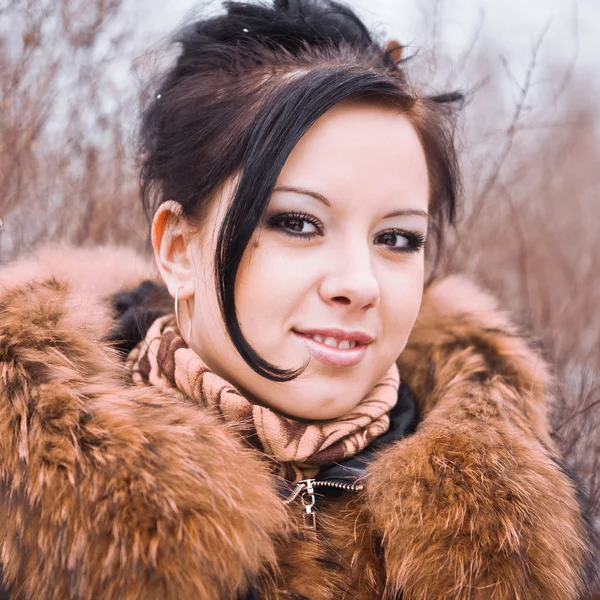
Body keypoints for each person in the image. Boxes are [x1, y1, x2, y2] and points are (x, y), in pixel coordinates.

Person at [0, 0, 593, 598]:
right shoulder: (25, 501)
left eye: (396, 238)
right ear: (179, 248)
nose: (359, 283)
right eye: (298, 223)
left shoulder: (517, 530)